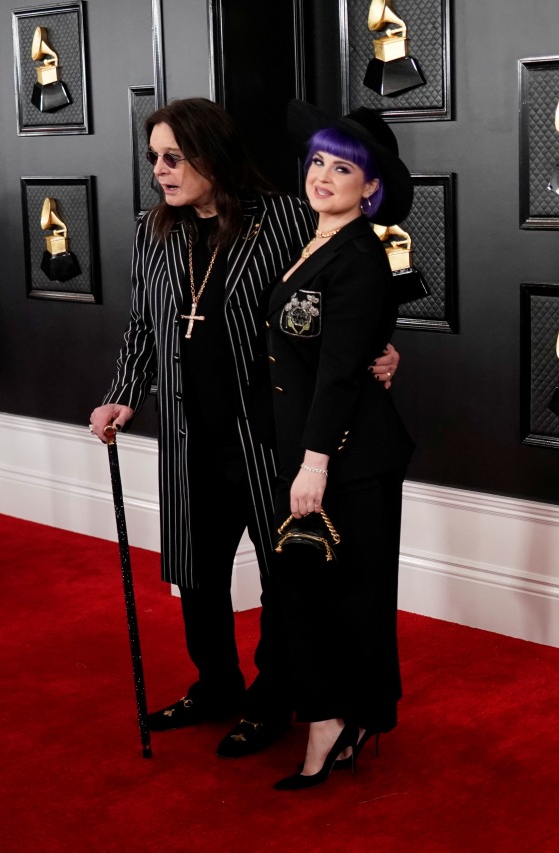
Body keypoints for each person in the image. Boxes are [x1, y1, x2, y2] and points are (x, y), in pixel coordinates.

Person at [89, 97, 400, 759]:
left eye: (174, 157)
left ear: (213, 154)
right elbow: (142, 325)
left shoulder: (285, 216)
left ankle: (271, 698)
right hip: (187, 435)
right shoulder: (154, 230)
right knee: (196, 573)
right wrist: (122, 395)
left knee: (283, 577)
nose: (161, 172)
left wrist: (382, 345)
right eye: (155, 159)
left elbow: (347, 283)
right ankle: (216, 685)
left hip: (266, 437)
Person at [265, 100, 415, 790]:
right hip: (314, 448)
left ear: (371, 186)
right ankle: (344, 717)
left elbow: (338, 372)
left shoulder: (362, 257)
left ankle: (333, 719)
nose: (324, 175)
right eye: (318, 161)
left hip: (347, 457)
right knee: (320, 592)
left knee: (336, 595)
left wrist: (315, 461)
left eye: (343, 167)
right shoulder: (314, 241)